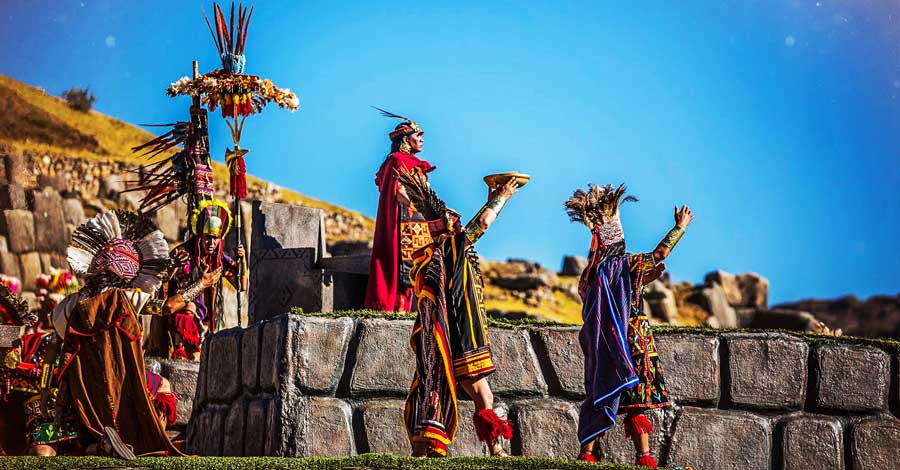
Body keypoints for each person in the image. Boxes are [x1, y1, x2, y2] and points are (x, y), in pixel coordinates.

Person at [564, 184, 692, 468]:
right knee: (637, 399)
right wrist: (679, 228)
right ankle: (644, 457)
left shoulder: (591, 273)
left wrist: (643, 280)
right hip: (633, 338)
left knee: (599, 395)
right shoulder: (628, 264)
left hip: (602, 343)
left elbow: (609, 298)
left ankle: (587, 454)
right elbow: (659, 255)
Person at [397, 168, 521, 457]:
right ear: (449, 228)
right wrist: (502, 197)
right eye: (456, 222)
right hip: (460, 337)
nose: (460, 225)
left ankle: (421, 451)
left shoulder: (436, 254)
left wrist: (490, 198)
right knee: (482, 395)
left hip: (446, 338)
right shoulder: (452, 246)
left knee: (436, 394)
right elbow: (482, 225)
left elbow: (474, 228)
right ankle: (495, 449)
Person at [52, 210, 186, 459]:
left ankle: (98, 444)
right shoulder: (124, 299)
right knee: (163, 385)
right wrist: (203, 285)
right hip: (122, 382)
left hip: (84, 388)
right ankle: (147, 440)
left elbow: (59, 339)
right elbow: (168, 307)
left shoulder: (66, 306)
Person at [144, 199, 246, 361]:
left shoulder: (219, 259)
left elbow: (242, 285)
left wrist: (242, 261)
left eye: (215, 238)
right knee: (188, 311)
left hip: (206, 320)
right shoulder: (183, 254)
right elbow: (166, 288)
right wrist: (201, 283)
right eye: (207, 237)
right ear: (199, 236)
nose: (211, 243)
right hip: (178, 314)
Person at [364, 109, 436, 312]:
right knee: (399, 271)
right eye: (417, 135)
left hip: (417, 224)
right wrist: (423, 206)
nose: (422, 139)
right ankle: (394, 311)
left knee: (415, 273)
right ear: (406, 139)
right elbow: (399, 192)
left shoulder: (414, 164)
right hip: (402, 223)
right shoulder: (397, 161)